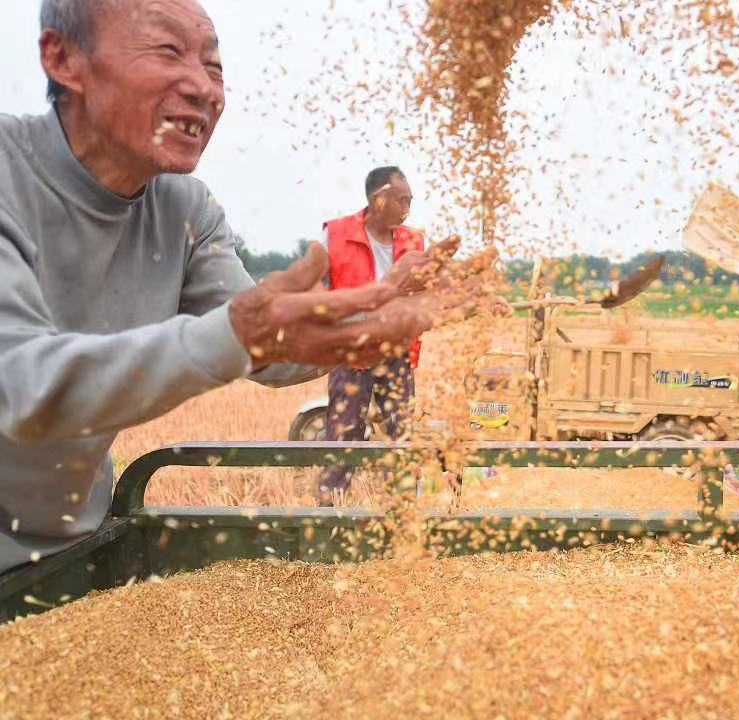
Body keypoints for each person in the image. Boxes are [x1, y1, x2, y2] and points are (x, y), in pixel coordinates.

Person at [0, 0, 488, 574]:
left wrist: (381, 313)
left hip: (75, 547)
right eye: (168, 51)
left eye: (213, 66)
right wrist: (241, 335)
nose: (202, 88)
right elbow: (20, 385)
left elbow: (273, 348)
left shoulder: (186, 209)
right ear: (63, 58)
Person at [315, 167, 425, 505]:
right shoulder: (335, 234)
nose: (407, 208)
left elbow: (430, 289)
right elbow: (316, 291)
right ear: (379, 199)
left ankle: (404, 514)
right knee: (344, 433)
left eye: (410, 200)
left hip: (396, 351)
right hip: (352, 351)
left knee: (401, 434)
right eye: (402, 200)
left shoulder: (414, 241)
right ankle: (330, 514)